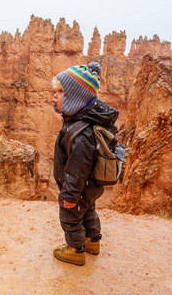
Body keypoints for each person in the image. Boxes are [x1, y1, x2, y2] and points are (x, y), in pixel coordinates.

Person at [52, 62, 119, 266]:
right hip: (88, 187)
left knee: (70, 215)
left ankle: (76, 249)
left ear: (75, 98)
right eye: (55, 91)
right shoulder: (81, 122)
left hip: (77, 187)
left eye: (61, 91)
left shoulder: (80, 132)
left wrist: (70, 195)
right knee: (87, 210)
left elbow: (77, 168)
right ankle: (92, 241)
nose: (55, 96)